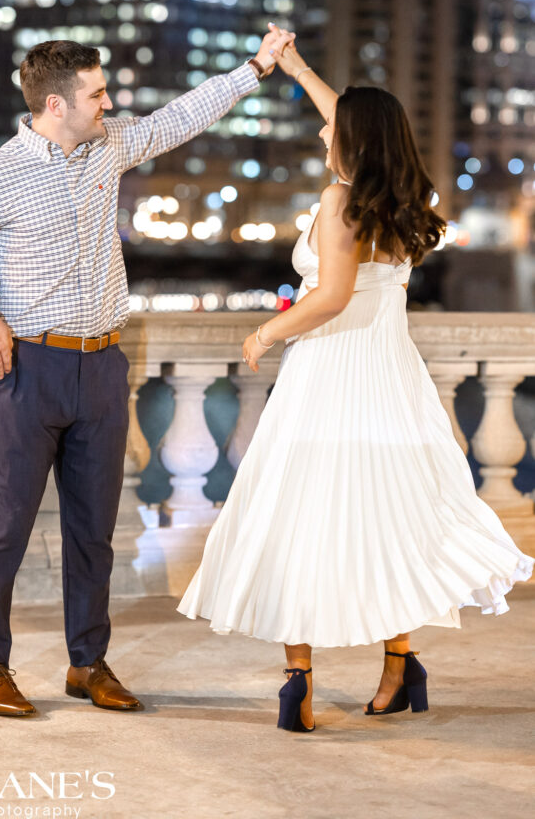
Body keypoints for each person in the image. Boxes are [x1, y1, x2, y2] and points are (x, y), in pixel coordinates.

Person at [0, 26, 295, 717]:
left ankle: (87, 663)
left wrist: (255, 68)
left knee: (93, 529)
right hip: (27, 367)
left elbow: (180, 116)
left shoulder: (109, 143)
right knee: (4, 526)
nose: (108, 102)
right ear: (56, 105)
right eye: (96, 93)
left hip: (102, 366)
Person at [178, 40, 534, 733]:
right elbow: (349, 117)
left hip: (330, 370)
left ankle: (299, 679)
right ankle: (400, 665)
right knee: (386, 517)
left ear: (349, 141)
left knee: (296, 514)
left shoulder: (339, 201)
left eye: (329, 128)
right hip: (388, 376)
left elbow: (332, 295)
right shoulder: (405, 199)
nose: (320, 131)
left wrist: (266, 334)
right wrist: (300, 67)